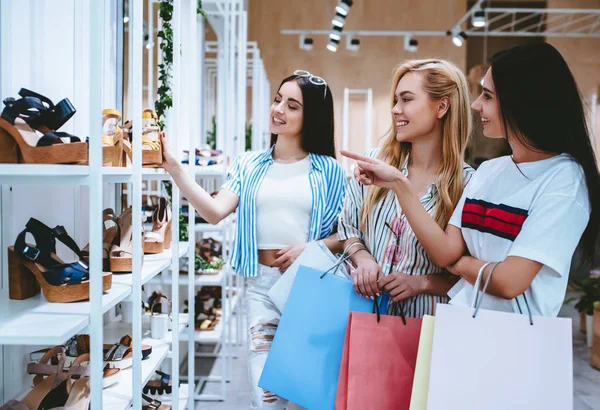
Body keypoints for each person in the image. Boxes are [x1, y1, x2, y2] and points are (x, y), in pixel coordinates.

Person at [342, 42, 599, 317]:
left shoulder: (564, 179)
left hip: (513, 342)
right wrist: (400, 184)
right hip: (461, 327)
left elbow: (507, 281)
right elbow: (444, 254)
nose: (476, 106)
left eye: (487, 96)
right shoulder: (491, 171)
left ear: (522, 101)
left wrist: (457, 266)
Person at [161, 70, 347, 409]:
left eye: (292, 105)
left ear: (311, 117)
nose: (278, 109)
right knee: (266, 398)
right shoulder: (249, 164)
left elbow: (347, 233)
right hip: (261, 287)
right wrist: (176, 170)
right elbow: (216, 211)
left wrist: (314, 247)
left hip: (309, 289)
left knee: (309, 397)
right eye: (278, 99)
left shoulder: (329, 170)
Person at [336, 59, 474, 318]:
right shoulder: (376, 163)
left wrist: (422, 283)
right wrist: (363, 259)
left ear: (442, 106)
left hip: (427, 330)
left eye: (406, 100)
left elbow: (471, 275)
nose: (395, 110)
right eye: (395, 101)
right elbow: (349, 229)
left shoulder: (468, 185)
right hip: (364, 319)